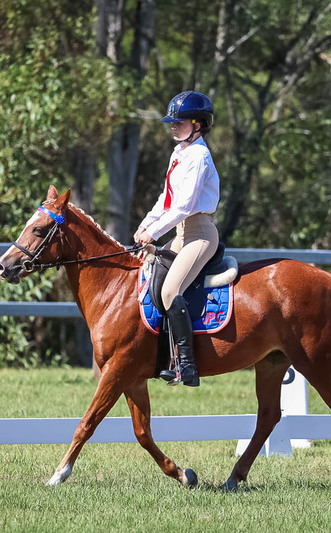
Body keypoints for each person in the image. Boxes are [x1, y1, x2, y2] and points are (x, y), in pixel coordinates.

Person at [133, 91, 220, 387]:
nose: (173, 126)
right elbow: (166, 199)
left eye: (179, 122)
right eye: (172, 121)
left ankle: (186, 366)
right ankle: (161, 357)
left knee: (170, 290)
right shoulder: (180, 152)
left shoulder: (199, 156)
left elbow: (183, 206)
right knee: (150, 276)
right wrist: (145, 225)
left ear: (198, 124)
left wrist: (154, 233)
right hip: (181, 234)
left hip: (200, 234)